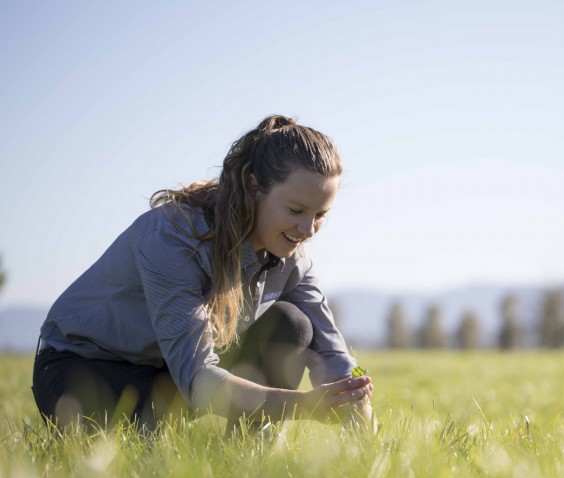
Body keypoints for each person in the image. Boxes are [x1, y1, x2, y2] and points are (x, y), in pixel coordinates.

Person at [32, 115, 373, 430]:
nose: (308, 229)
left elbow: (335, 351)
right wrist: (302, 406)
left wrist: (363, 411)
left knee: (293, 322)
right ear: (255, 187)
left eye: (320, 214)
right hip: (84, 368)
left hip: (167, 371)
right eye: (296, 210)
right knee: (143, 467)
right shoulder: (172, 239)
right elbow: (198, 380)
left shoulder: (293, 257)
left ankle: (248, 463)